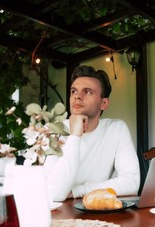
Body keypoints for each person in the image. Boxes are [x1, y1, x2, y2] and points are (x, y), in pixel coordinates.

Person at [44, 65, 140, 202]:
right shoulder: (54, 130)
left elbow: (132, 183)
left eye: (87, 92)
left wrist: (78, 191)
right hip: (60, 215)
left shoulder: (116, 129)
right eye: (73, 91)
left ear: (104, 103)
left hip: (97, 210)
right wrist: (74, 137)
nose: (77, 96)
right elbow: (53, 193)